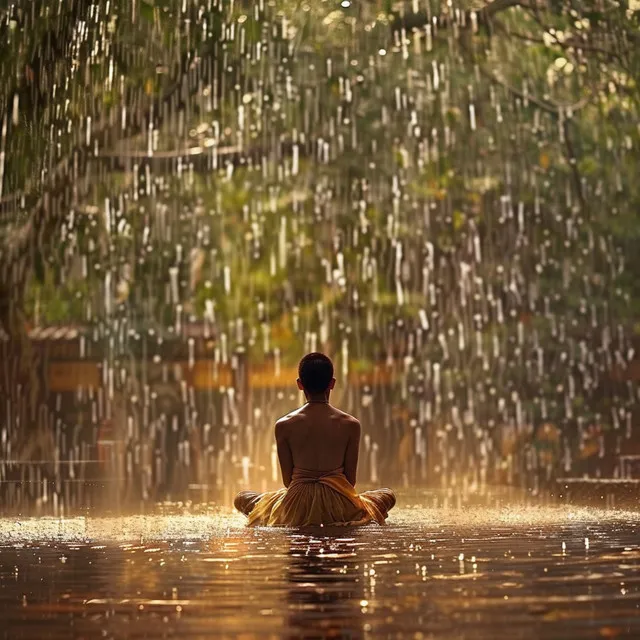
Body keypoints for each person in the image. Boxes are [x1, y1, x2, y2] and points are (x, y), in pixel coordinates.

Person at [234, 352, 396, 526]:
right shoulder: (351, 424)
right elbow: (350, 481)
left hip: (296, 505)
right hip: (340, 505)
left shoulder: (284, 425)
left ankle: (274, 508)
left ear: (300, 384)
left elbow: (288, 481)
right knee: (387, 495)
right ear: (332, 383)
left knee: (243, 498)